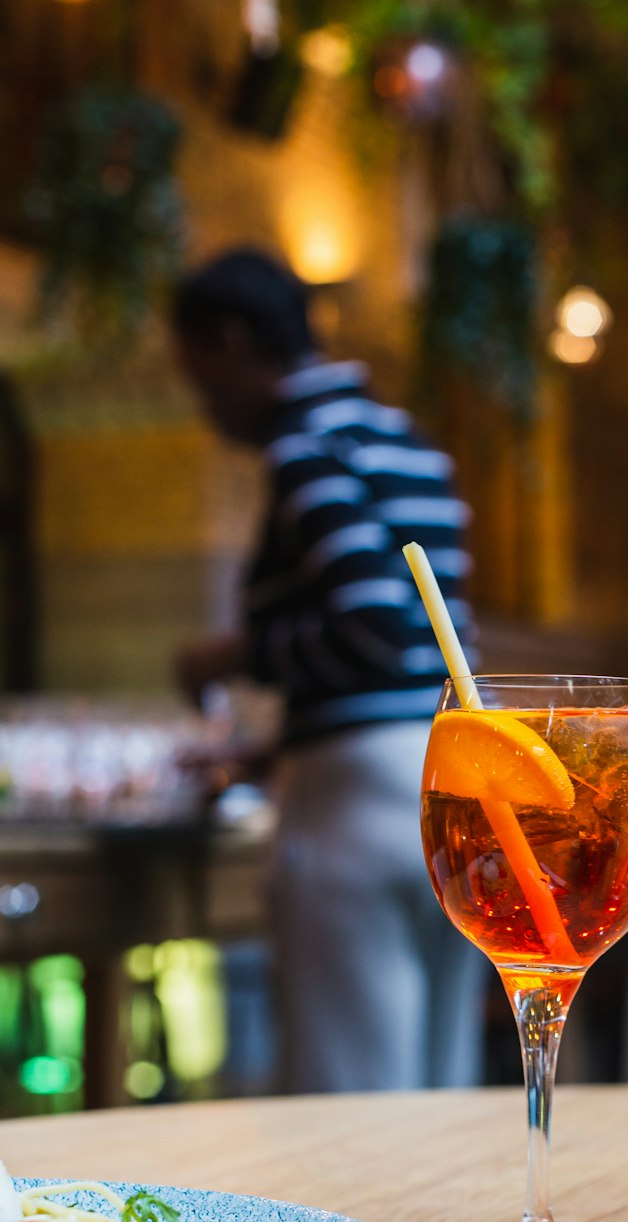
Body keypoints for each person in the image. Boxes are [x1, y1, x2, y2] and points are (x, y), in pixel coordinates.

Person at [170, 248, 485, 1092]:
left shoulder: (304, 448)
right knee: (442, 1085)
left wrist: (231, 654)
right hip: (454, 780)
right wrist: (272, 752)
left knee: (354, 1093)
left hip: (350, 806)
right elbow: (433, 641)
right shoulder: (413, 444)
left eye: (196, 370)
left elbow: (375, 624)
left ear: (231, 343)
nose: (203, 401)